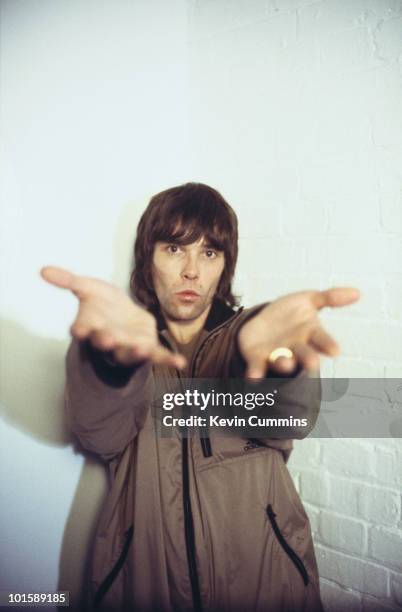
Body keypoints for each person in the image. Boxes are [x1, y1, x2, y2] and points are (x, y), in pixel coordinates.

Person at [41, 182, 359, 612]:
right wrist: (110, 364)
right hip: (144, 583)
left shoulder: (244, 341)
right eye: (174, 249)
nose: (191, 270)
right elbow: (99, 435)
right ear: (148, 259)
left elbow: (290, 419)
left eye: (209, 253)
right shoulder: (128, 349)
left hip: (269, 583)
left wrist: (276, 364)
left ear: (224, 265)